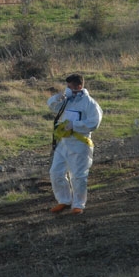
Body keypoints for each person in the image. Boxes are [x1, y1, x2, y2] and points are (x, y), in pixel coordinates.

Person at [47, 74, 103, 215]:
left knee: (78, 176)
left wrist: (75, 125)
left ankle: (78, 204)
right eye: (67, 87)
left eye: (70, 87)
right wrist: (59, 96)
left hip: (80, 144)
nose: (68, 89)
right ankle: (64, 200)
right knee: (56, 173)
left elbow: (94, 123)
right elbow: (51, 106)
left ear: (79, 86)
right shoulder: (67, 100)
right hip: (63, 143)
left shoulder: (90, 103)